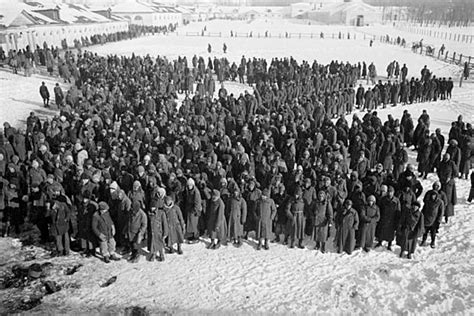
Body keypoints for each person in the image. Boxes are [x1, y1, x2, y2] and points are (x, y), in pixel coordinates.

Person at [376, 186, 400, 251]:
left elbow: (398, 211)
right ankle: (380, 242)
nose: (390, 193)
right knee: (382, 231)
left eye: (391, 192)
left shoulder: (396, 200)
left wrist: (397, 220)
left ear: (393, 193)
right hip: (384, 217)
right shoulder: (383, 199)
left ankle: (389, 244)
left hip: (392, 218)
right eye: (389, 192)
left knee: (390, 233)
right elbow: (379, 208)